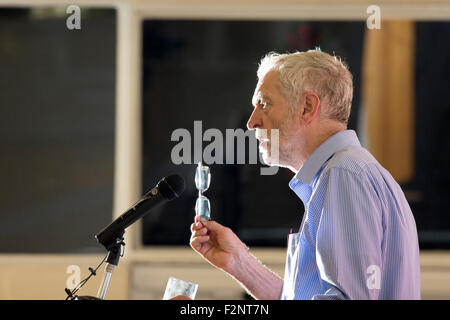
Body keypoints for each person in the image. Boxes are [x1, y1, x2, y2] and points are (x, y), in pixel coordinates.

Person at [190, 49, 421, 300]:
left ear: (307, 107)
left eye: (264, 104)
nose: (252, 122)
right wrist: (239, 263)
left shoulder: (344, 175)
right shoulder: (345, 172)